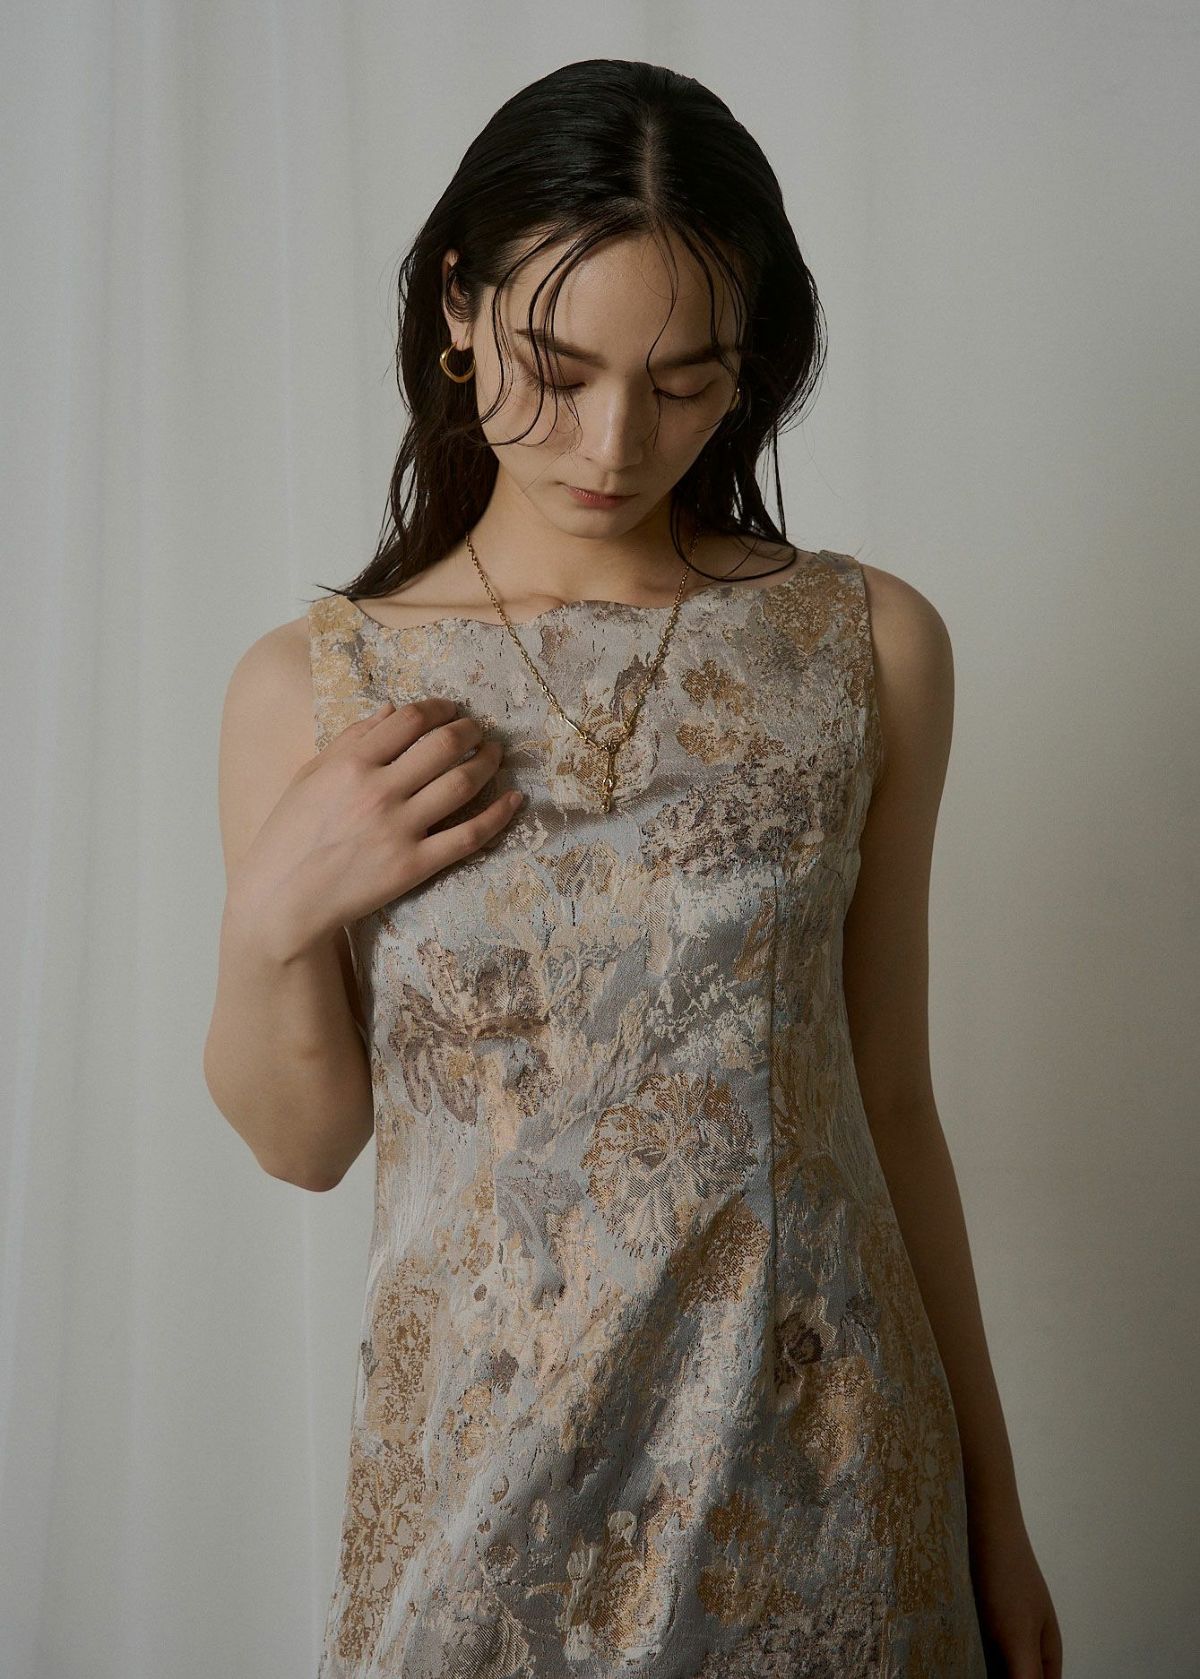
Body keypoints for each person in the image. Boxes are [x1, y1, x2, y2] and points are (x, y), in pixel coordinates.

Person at [204, 57, 1062, 1679]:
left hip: (827, 1477)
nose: (611, 442)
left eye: (683, 381)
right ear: (456, 310)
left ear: (751, 366)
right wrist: (270, 921)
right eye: (558, 368)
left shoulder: (867, 646)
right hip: (479, 1498)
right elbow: (303, 1144)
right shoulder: (312, 688)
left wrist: (995, 1516)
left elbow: (889, 1104)